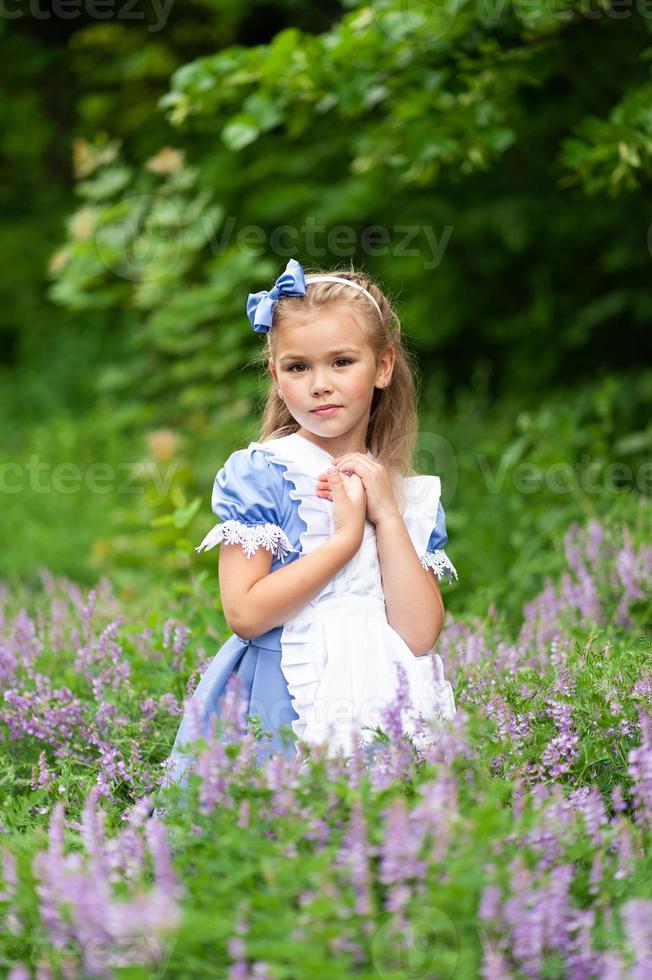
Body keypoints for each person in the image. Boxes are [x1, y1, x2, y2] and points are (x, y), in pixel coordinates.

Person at [161, 256, 458, 787]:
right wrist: (344, 539)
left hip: (385, 700)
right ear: (277, 378)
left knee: (383, 846)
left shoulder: (410, 497)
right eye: (299, 367)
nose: (320, 384)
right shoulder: (264, 474)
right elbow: (246, 613)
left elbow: (418, 634)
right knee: (279, 837)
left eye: (342, 362)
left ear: (383, 367)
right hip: (281, 701)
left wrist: (386, 516)